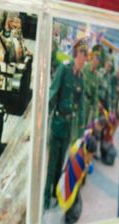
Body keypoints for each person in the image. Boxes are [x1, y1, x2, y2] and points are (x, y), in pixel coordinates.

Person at [43, 38, 87, 210]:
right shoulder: (64, 69)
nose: (85, 60)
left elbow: (81, 105)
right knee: (52, 164)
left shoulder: (80, 79)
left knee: (61, 161)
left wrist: (81, 131)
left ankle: (55, 192)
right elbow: (52, 93)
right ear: (77, 54)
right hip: (57, 124)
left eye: (86, 56)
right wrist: (44, 117)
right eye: (84, 55)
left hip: (68, 127)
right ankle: (46, 198)